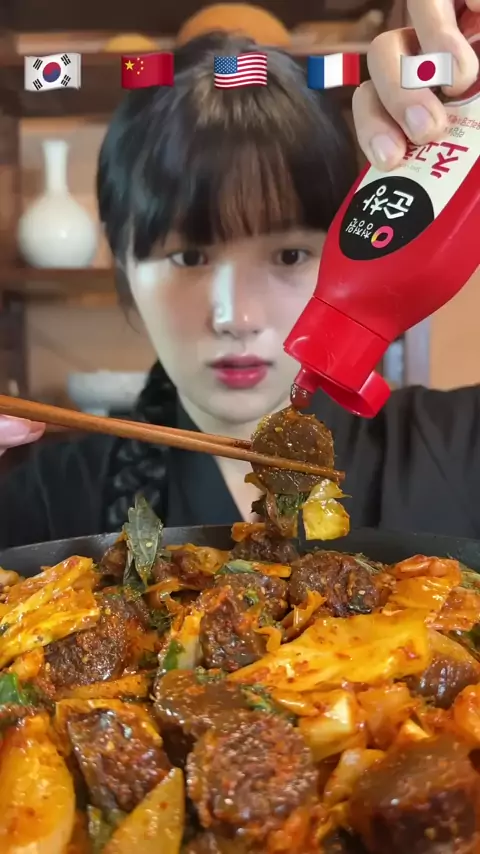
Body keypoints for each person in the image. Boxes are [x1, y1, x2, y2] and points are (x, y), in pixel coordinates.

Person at [1, 1, 480, 548]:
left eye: (290, 255)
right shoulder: (45, 499)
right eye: (188, 257)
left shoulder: (461, 449)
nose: (237, 317)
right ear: (123, 262)